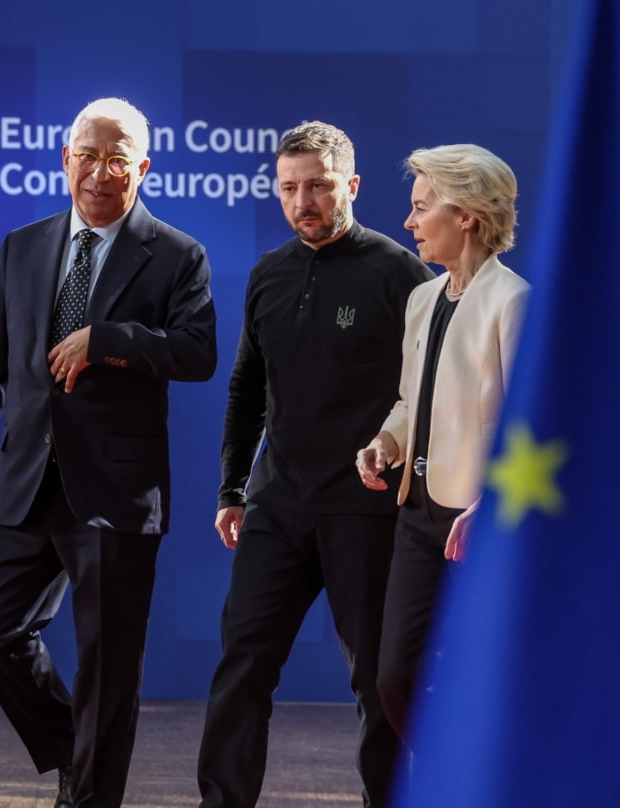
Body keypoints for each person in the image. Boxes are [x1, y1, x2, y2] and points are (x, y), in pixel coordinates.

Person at [0, 97, 218, 808]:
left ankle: (89, 797)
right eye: (87, 155)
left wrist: (110, 340)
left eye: (118, 159)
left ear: (143, 169)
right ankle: (71, 749)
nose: (100, 171)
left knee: (108, 668)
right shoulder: (22, 247)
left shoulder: (178, 255)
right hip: (26, 477)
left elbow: (197, 353)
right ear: (65, 160)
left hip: (116, 490)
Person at [196, 121, 432, 808]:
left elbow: (423, 394)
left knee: (376, 681)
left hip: (366, 508)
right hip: (277, 506)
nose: (305, 202)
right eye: (290, 188)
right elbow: (246, 386)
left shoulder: (400, 275)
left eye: (320, 187)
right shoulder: (268, 275)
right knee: (242, 665)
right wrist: (233, 487)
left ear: (350, 187)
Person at [355, 144, 529, 746]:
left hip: (481, 521)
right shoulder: (421, 299)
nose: (408, 222)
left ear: (468, 217)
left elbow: (530, 427)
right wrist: (384, 442)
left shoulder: (514, 302)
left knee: (484, 682)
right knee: (395, 677)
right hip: (417, 513)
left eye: (422, 207)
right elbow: (411, 402)